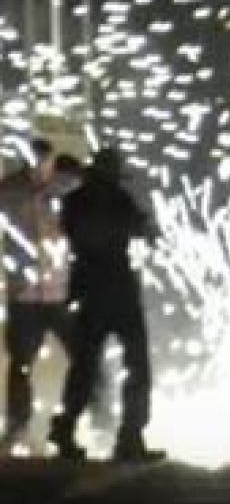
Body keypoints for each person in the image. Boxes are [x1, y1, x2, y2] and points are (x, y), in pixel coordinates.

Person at [47, 147, 160, 462]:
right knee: (134, 365)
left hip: (92, 291)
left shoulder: (80, 200)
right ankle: (129, 437)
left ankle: (68, 428)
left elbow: (80, 232)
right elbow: (140, 230)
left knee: (86, 365)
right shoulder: (112, 199)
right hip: (115, 291)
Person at [0, 141, 85, 446]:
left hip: (60, 293)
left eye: (43, 161)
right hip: (25, 295)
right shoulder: (9, 191)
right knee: (21, 364)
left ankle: (86, 421)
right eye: (34, 161)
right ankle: (17, 428)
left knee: (84, 357)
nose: (38, 167)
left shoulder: (67, 188)